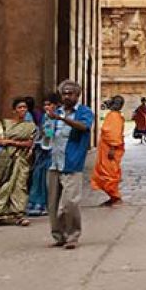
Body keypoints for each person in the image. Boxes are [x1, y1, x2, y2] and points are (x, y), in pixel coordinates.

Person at [47, 79, 94, 249]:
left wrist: (62, 118)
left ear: (77, 95)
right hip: (54, 162)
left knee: (70, 203)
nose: (67, 96)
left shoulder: (84, 112)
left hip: (72, 162)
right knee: (53, 204)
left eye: (70, 93)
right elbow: (48, 133)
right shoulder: (55, 112)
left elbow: (83, 127)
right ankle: (59, 235)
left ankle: (73, 235)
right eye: (64, 93)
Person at [0, 98, 37, 226]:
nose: (23, 110)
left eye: (25, 107)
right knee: (6, 185)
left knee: (19, 185)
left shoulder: (30, 126)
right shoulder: (5, 124)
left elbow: (30, 143)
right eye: (20, 107)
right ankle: (0, 212)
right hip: (6, 158)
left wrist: (11, 142)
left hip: (21, 158)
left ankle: (19, 213)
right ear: (14, 110)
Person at [27, 92, 59, 217]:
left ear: (55, 105)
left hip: (52, 150)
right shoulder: (45, 116)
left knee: (48, 179)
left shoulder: (59, 116)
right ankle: (36, 203)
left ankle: (47, 204)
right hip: (42, 149)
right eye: (45, 105)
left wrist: (47, 132)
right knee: (37, 177)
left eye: (49, 104)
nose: (47, 107)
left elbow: (53, 133)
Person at [91, 96, 126, 207]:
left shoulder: (114, 116)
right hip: (106, 148)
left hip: (111, 149)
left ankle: (115, 197)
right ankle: (113, 196)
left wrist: (112, 147)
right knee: (105, 171)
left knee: (109, 173)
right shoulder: (113, 115)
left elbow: (113, 134)